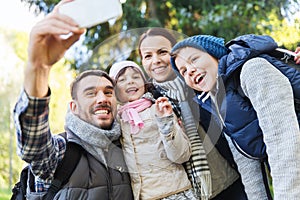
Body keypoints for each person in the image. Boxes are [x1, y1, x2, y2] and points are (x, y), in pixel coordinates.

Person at [13, 1, 134, 199]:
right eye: (91, 93)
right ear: (74, 107)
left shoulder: (130, 148)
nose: (102, 98)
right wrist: (39, 67)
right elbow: (32, 145)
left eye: (108, 92)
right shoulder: (62, 152)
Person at [170, 34, 300, 200]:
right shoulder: (217, 103)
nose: (190, 71)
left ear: (215, 54)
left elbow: (282, 139)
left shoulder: (253, 70)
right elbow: (246, 161)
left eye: (194, 59)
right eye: (184, 71)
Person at [138, 27, 247, 200]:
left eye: (162, 52)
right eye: (148, 56)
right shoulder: (147, 103)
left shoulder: (200, 80)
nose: (156, 60)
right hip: (194, 193)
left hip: (234, 178)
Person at [109, 60, 197, 200]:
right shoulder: (115, 120)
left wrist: (166, 121)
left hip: (176, 191)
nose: (130, 82)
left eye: (136, 77)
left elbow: (181, 155)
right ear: (114, 90)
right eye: (122, 79)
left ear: (144, 83)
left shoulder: (159, 108)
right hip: (143, 196)